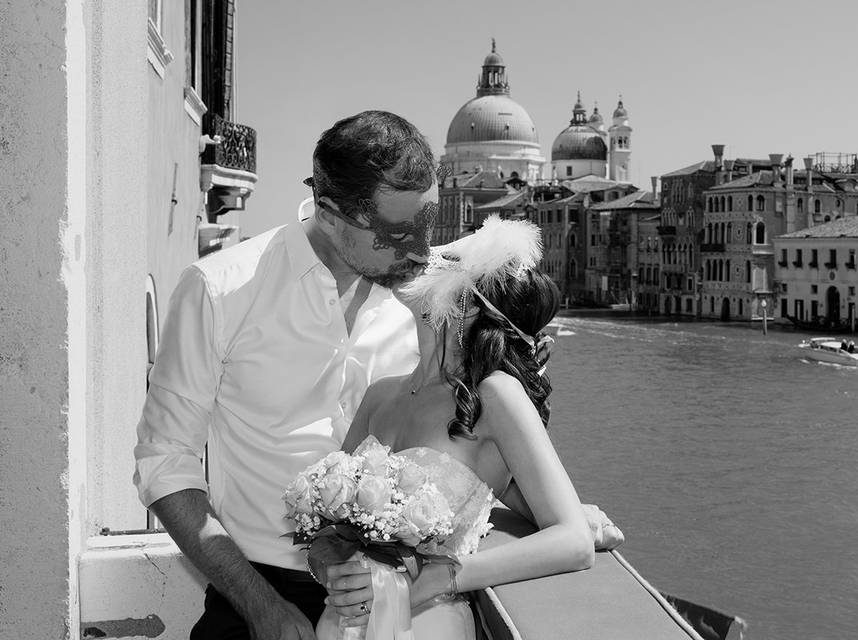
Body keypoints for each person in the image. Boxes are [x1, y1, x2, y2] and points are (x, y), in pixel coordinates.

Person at [134, 111, 621, 640]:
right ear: (330, 212)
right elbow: (166, 464)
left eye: (426, 224)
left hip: (407, 600)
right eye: (394, 233)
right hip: (256, 589)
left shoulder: (429, 292)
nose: (419, 252)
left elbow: (466, 445)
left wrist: (559, 509)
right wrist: (259, 604)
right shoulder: (217, 291)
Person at [317, 217, 597, 639]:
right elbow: (330, 530)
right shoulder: (379, 396)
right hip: (342, 624)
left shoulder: (495, 396)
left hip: (424, 624)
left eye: (444, 259)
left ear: (469, 302)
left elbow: (574, 541)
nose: (420, 260)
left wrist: (442, 576)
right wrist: (334, 572)